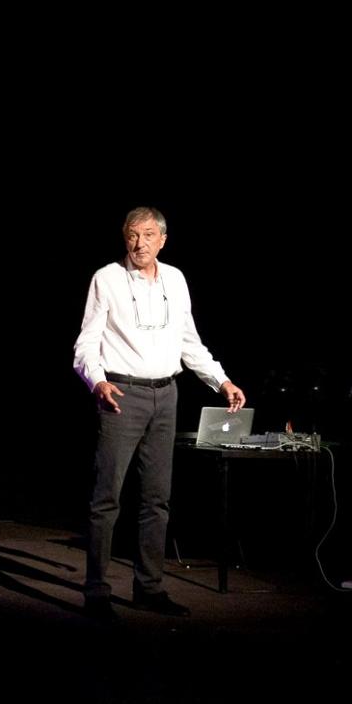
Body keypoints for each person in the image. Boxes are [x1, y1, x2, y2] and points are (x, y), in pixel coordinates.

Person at [73, 207, 246, 621]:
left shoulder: (176, 279)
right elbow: (86, 343)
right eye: (133, 235)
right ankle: (96, 591)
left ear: (162, 240)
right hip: (121, 394)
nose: (140, 243)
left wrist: (222, 381)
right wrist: (97, 381)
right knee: (107, 497)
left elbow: (189, 342)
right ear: (124, 237)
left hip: (166, 395)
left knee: (157, 499)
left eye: (148, 235)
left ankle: (149, 588)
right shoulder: (107, 278)